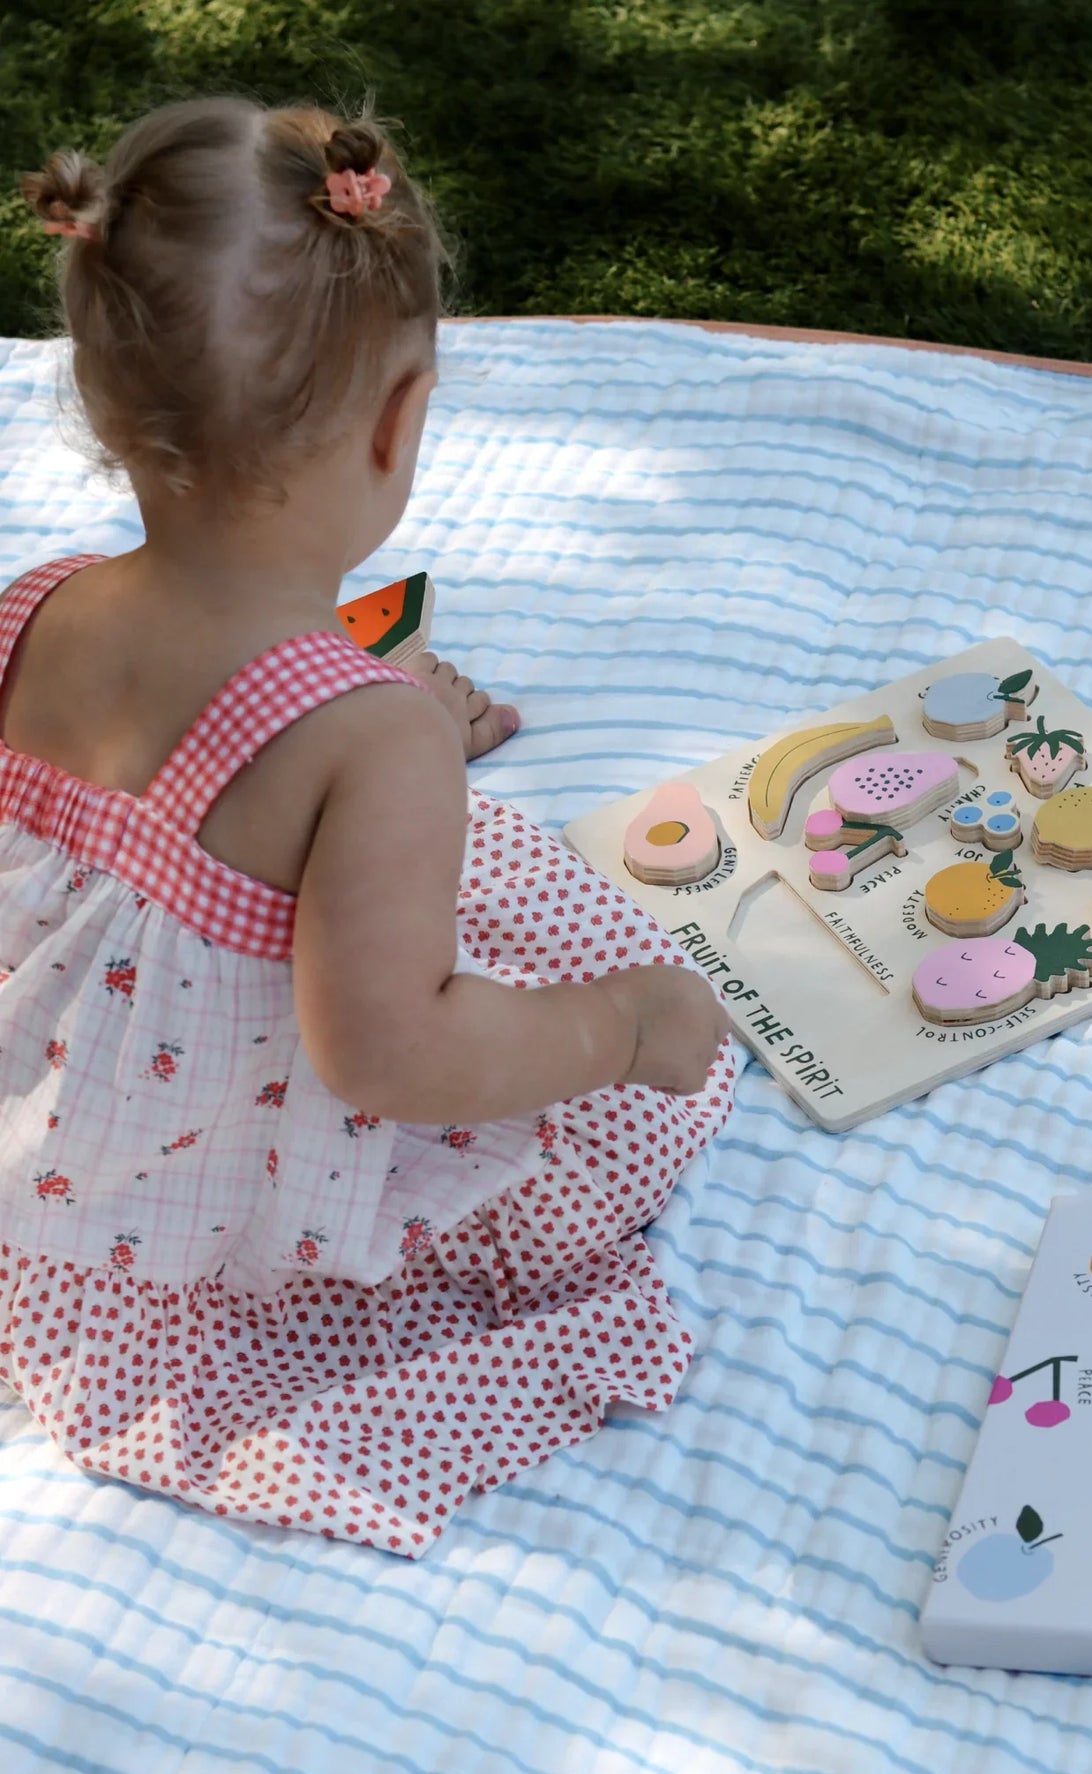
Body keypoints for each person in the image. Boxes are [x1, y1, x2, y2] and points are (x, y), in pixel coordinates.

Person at [0, 98, 734, 1556]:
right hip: (197, 1243)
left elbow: (156, 818)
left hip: (46, 1166)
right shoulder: (371, 742)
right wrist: (627, 1027)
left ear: (103, 399)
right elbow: (391, 1056)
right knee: (582, 1098)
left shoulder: (39, 604)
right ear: (401, 420)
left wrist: (368, 719)